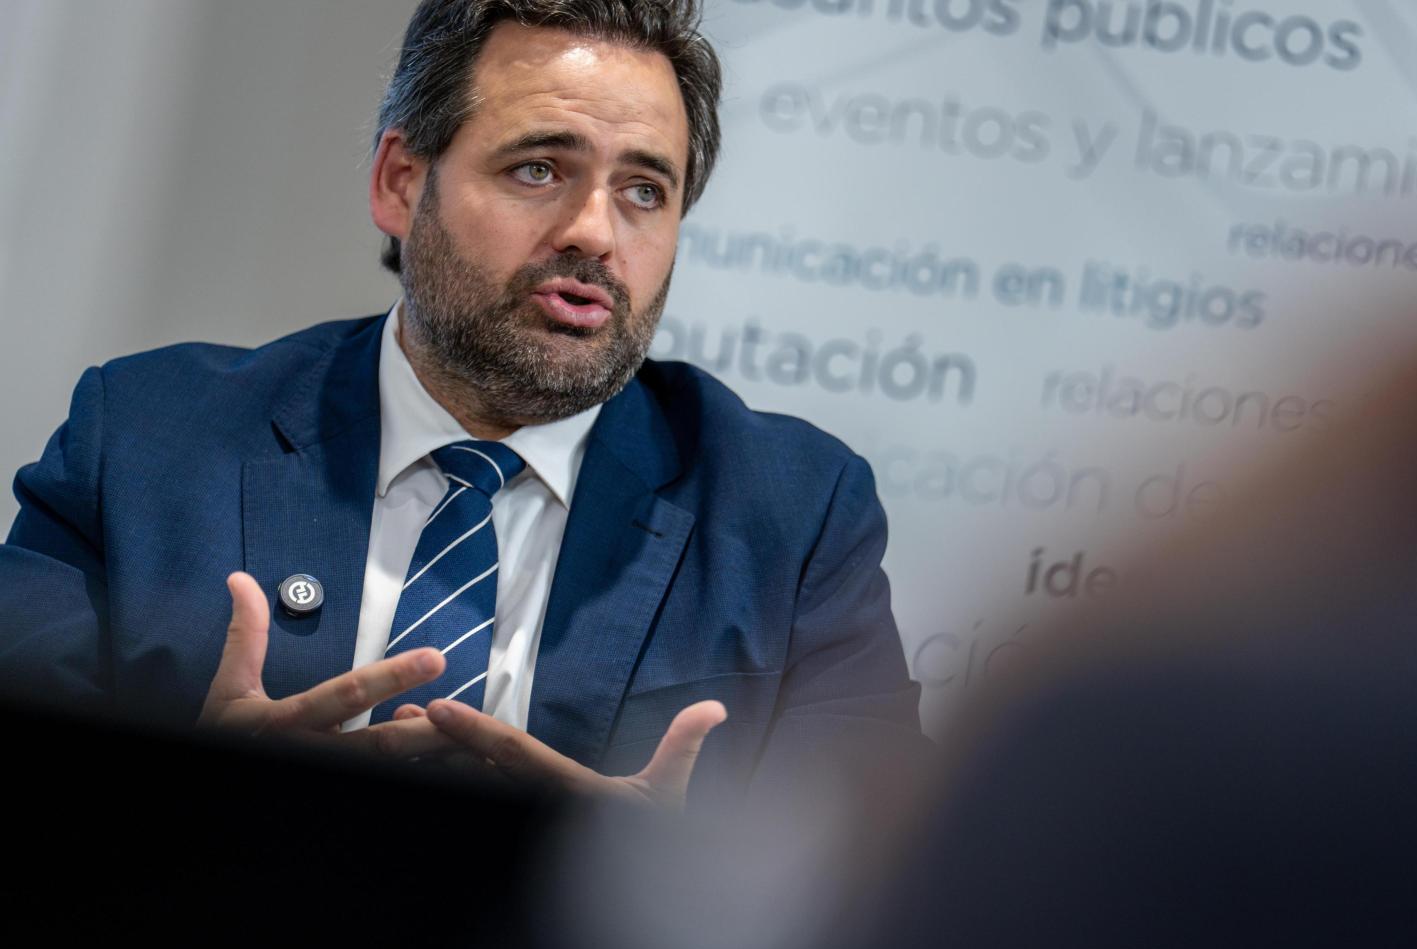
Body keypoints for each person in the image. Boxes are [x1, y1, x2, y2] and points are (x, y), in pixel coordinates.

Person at [0, 0, 923, 810]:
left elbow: (888, 879)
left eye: (645, 191)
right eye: (537, 169)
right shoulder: (147, 439)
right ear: (401, 181)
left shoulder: (792, 516)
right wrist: (185, 804)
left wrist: (672, 886)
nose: (595, 233)